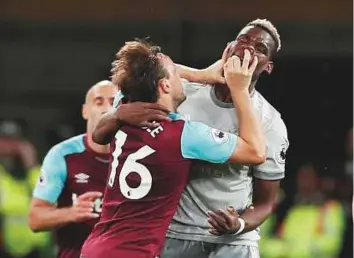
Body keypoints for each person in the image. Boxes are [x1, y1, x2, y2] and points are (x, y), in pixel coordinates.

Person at [93, 19, 289, 258]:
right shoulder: (182, 99)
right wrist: (209, 78)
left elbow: (265, 203)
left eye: (260, 49)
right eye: (243, 40)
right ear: (228, 48)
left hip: (233, 242)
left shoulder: (270, 122)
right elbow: (148, 72)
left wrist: (238, 224)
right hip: (175, 235)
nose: (248, 49)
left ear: (267, 66)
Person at [28, 81, 118, 258]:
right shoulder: (63, 155)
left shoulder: (139, 154)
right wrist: (72, 212)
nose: (106, 108)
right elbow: (35, 219)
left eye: (113, 102)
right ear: (85, 111)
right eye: (99, 102)